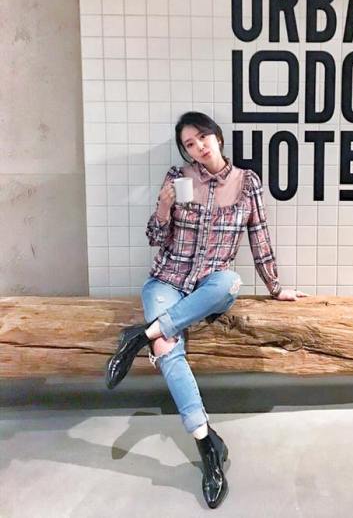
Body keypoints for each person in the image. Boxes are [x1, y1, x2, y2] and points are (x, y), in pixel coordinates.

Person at [105, 111, 306, 509]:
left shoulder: (247, 183)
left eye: (202, 137)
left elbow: (259, 238)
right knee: (167, 348)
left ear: (217, 136)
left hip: (209, 287)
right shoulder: (178, 178)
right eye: (189, 144)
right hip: (167, 281)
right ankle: (206, 444)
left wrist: (276, 287)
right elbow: (155, 238)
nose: (198, 147)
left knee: (230, 282)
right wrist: (163, 208)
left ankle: (138, 336)